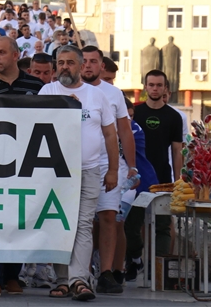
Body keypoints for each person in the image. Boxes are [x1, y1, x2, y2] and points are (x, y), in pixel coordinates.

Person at [40, 46, 118, 301]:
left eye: (70, 62)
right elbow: (33, 124)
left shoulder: (96, 96)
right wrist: (61, 107)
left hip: (89, 170)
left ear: (82, 65)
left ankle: (79, 280)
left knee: (83, 224)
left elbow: (110, 134)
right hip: (55, 173)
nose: (64, 66)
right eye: (60, 62)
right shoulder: (48, 92)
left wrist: (114, 170)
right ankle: (62, 280)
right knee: (59, 223)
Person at [0, 35, 44, 297]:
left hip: (27, 163)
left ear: (15, 55)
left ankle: (13, 275)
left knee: (19, 218)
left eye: (1, 52)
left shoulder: (36, 86)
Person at [80, 46, 138, 293]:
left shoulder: (113, 94)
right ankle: (79, 272)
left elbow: (124, 130)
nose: (88, 65)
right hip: (77, 163)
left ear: (101, 65)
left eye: (94, 61)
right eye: (84, 61)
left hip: (108, 165)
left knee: (108, 217)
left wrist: (131, 167)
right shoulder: (66, 90)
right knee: (80, 221)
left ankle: (106, 272)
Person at [132, 70, 183, 259]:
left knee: (163, 227)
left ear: (165, 88)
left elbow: (177, 151)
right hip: (136, 179)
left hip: (162, 179)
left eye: (159, 85)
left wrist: (178, 182)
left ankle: (159, 268)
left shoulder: (174, 117)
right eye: (151, 85)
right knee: (131, 226)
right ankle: (135, 261)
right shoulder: (135, 113)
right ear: (145, 87)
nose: (155, 88)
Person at [123, 96, 159, 282]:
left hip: (140, 185)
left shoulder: (134, 129)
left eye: (131, 115)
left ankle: (135, 259)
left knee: (131, 228)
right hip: (121, 184)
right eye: (126, 115)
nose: (129, 119)